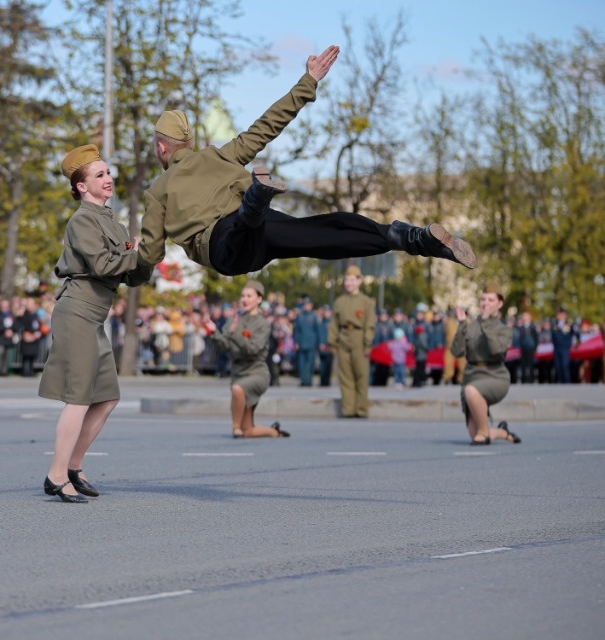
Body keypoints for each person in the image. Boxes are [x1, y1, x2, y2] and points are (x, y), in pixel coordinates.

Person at [137, 45, 476, 279]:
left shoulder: (158, 192)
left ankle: (255, 202)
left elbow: (150, 257)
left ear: (161, 147)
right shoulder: (218, 155)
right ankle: (410, 238)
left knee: (237, 235)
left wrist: (128, 271)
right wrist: (308, 82)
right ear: (190, 143)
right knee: (321, 232)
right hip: (260, 227)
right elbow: (266, 126)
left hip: (223, 245)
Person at [39, 144, 152, 503]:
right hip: (77, 312)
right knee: (78, 399)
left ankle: (73, 465)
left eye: (108, 172)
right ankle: (56, 474)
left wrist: (146, 256)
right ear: (81, 187)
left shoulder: (111, 221)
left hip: (94, 315)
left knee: (106, 398)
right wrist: (134, 254)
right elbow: (105, 266)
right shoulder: (83, 220)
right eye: (99, 175)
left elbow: (132, 277)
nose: (108, 179)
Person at [209, 280, 289, 439]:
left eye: (249, 296)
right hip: (238, 371)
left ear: (259, 299)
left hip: (256, 372)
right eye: (243, 296)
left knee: (237, 389)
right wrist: (214, 332)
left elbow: (253, 349)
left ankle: (235, 428)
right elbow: (224, 346)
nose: (244, 299)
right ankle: (274, 432)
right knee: (248, 431)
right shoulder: (234, 321)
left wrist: (235, 334)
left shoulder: (263, 324)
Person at [450, 282, 520, 445]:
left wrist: (487, 323)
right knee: (474, 436)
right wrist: (462, 325)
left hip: (495, 376)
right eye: (483, 299)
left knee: (472, 392)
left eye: (490, 300)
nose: (485, 303)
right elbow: (457, 352)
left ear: (500, 304)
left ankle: (484, 431)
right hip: (472, 375)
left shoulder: (504, 329)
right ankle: (502, 432)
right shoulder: (473, 325)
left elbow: (496, 351)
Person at [328, 265, 375, 418]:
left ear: (359, 281)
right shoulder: (339, 301)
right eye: (347, 279)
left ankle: (361, 409)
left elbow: (370, 324)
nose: (349, 283)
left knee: (361, 375)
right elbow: (334, 323)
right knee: (345, 375)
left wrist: (368, 343)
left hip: (358, 337)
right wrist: (332, 342)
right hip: (343, 337)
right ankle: (348, 409)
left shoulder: (366, 302)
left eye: (352, 279)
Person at [293, 296, 319, 386]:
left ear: (311, 306)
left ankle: (309, 380)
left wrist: (318, 343)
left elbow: (317, 330)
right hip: (302, 343)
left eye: (308, 305)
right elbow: (297, 331)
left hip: (311, 343)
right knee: (302, 363)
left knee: (310, 363)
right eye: (305, 305)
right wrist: (296, 342)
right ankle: (303, 380)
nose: (306, 306)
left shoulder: (314, 316)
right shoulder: (300, 317)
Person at [551, 306, 578, 383]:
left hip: (565, 348)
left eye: (561, 314)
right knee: (558, 366)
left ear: (564, 315)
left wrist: (576, 345)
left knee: (565, 366)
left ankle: (567, 383)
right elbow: (552, 336)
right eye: (558, 314)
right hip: (556, 348)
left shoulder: (569, 324)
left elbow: (576, 334)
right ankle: (561, 382)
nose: (560, 316)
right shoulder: (554, 324)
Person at [516, 311, 539, 384]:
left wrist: (535, 348)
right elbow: (519, 339)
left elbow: (536, 338)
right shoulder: (521, 328)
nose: (524, 317)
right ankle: (523, 379)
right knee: (523, 365)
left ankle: (531, 379)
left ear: (529, 317)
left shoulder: (533, 327)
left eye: (526, 316)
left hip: (531, 348)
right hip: (523, 349)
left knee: (531, 364)